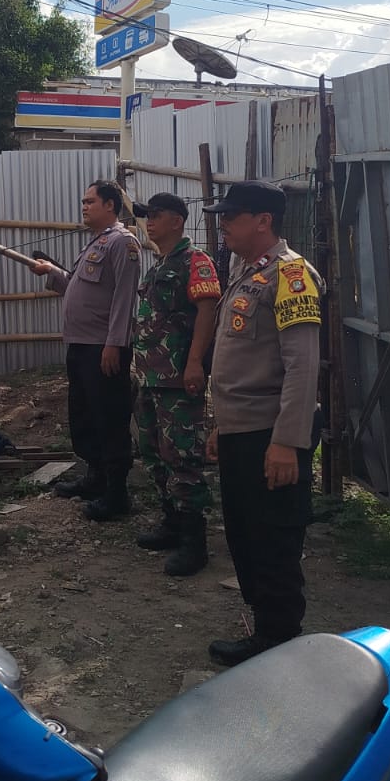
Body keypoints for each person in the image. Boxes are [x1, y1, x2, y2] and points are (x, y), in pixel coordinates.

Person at [202, 180, 323, 667]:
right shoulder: (246, 271)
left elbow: (303, 366)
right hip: (241, 430)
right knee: (244, 534)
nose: (223, 226)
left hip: (270, 435)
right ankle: (265, 628)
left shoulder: (291, 275)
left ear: (263, 221)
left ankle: (279, 639)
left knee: (272, 539)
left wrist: (287, 442)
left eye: (232, 217)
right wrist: (220, 424)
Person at [30, 180, 141, 520]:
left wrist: (115, 343)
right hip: (80, 344)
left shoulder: (123, 242)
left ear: (110, 205)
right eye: (84, 201)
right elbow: (75, 286)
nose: (84, 206)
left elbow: (124, 296)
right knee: (85, 414)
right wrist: (52, 271)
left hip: (103, 348)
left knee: (109, 416)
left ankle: (116, 494)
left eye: (90, 201)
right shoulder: (96, 243)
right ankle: (95, 478)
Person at [129, 192, 221, 577]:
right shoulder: (160, 264)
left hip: (178, 379)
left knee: (183, 457)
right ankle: (171, 522)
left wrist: (196, 362)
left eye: (157, 215)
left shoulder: (194, 261)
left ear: (177, 221)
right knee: (153, 453)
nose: (149, 222)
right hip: (150, 377)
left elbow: (207, 311)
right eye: (147, 215)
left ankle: (194, 542)